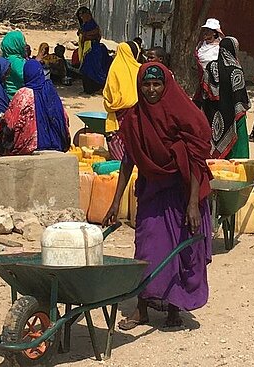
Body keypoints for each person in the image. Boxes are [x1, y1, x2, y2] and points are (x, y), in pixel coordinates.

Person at [104, 63, 214, 330]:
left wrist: (192, 205)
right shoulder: (134, 118)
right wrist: (116, 201)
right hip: (152, 193)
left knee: (180, 249)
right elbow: (128, 160)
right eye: (146, 85)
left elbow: (196, 162)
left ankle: (174, 307)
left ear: (166, 86)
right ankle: (141, 309)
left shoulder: (183, 114)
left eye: (156, 84)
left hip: (181, 194)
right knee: (147, 249)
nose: (151, 90)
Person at [198, 36, 249, 159]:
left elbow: (204, 93)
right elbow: (240, 99)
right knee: (237, 150)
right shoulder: (236, 70)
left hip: (211, 114)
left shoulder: (210, 67)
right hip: (232, 115)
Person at [102, 41, 143, 162]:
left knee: (118, 140)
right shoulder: (140, 69)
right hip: (136, 113)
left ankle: (120, 164)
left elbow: (108, 94)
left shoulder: (114, 69)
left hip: (117, 113)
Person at [22, 60, 70, 152]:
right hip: (57, 143)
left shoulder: (23, 95)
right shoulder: (49, 90)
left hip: (31, 147)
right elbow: (62, 116)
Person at [0, 78, 38, 156]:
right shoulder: (46, 93)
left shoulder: (22, 94)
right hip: (44, 141)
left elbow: (11, 123)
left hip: (23, 144)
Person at [76, 7, 112, 94]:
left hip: (93, 50)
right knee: (85, 69)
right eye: (80, 15)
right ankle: (88, 89)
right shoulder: (84, 25)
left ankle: (99, 87)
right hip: (85, 50)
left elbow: (97, 35)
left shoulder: (93, 24)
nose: (82, 17)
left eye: (83, 14)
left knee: (94, 69)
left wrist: (85, 35)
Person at [0, 31, 29, 99]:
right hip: (16, 95)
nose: (24, 44)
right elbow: (25, 77)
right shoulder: (15, 60)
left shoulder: (6, 57)